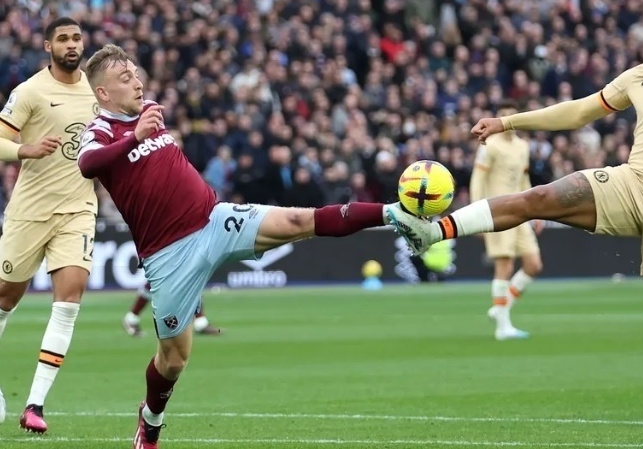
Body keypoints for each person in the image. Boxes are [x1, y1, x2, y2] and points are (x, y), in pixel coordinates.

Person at [385, 0, 643, 413]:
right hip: (630, 184)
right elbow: (577, 113)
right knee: (541, 197)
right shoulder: (638, 78)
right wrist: (508, 122)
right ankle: (435, 230)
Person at [76, 44, 403, 449]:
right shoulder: (102, 131)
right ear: (104, 94)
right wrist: (134, 138)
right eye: (125, 79)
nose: (138, 81)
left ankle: (395, 213)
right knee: (174, 361)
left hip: (215, 219)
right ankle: (151, 418)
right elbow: (88, 165)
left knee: (300, 220)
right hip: (169, 254)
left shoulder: (151, 110)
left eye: (136, 73)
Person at [0, 18, 99, 433]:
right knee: (5, 298)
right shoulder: (30, 91)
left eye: (76, 37)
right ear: (47, 46)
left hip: (78, 209)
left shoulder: (99, 90)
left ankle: (35, 405)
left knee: (69, 300)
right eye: (63, 38)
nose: (72, 44)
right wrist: (27, 149)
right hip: (30, 212)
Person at [469, 102, 544, 341]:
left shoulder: (523, 146)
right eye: (503, 115)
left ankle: (500, 309)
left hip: (521, 212)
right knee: (505, 266)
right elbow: (478, 179)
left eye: (512, 115)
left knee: (533, 265)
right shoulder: (489, 144)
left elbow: (524, 180)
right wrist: (476, 213)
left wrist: (537, 211)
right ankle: (503, 327)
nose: (508, 119)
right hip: (497, 212)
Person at [123, 283, 220, 337]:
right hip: (159, 249)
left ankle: (200, 321)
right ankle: (131, 317)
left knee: (192, 274)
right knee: (157, 278)